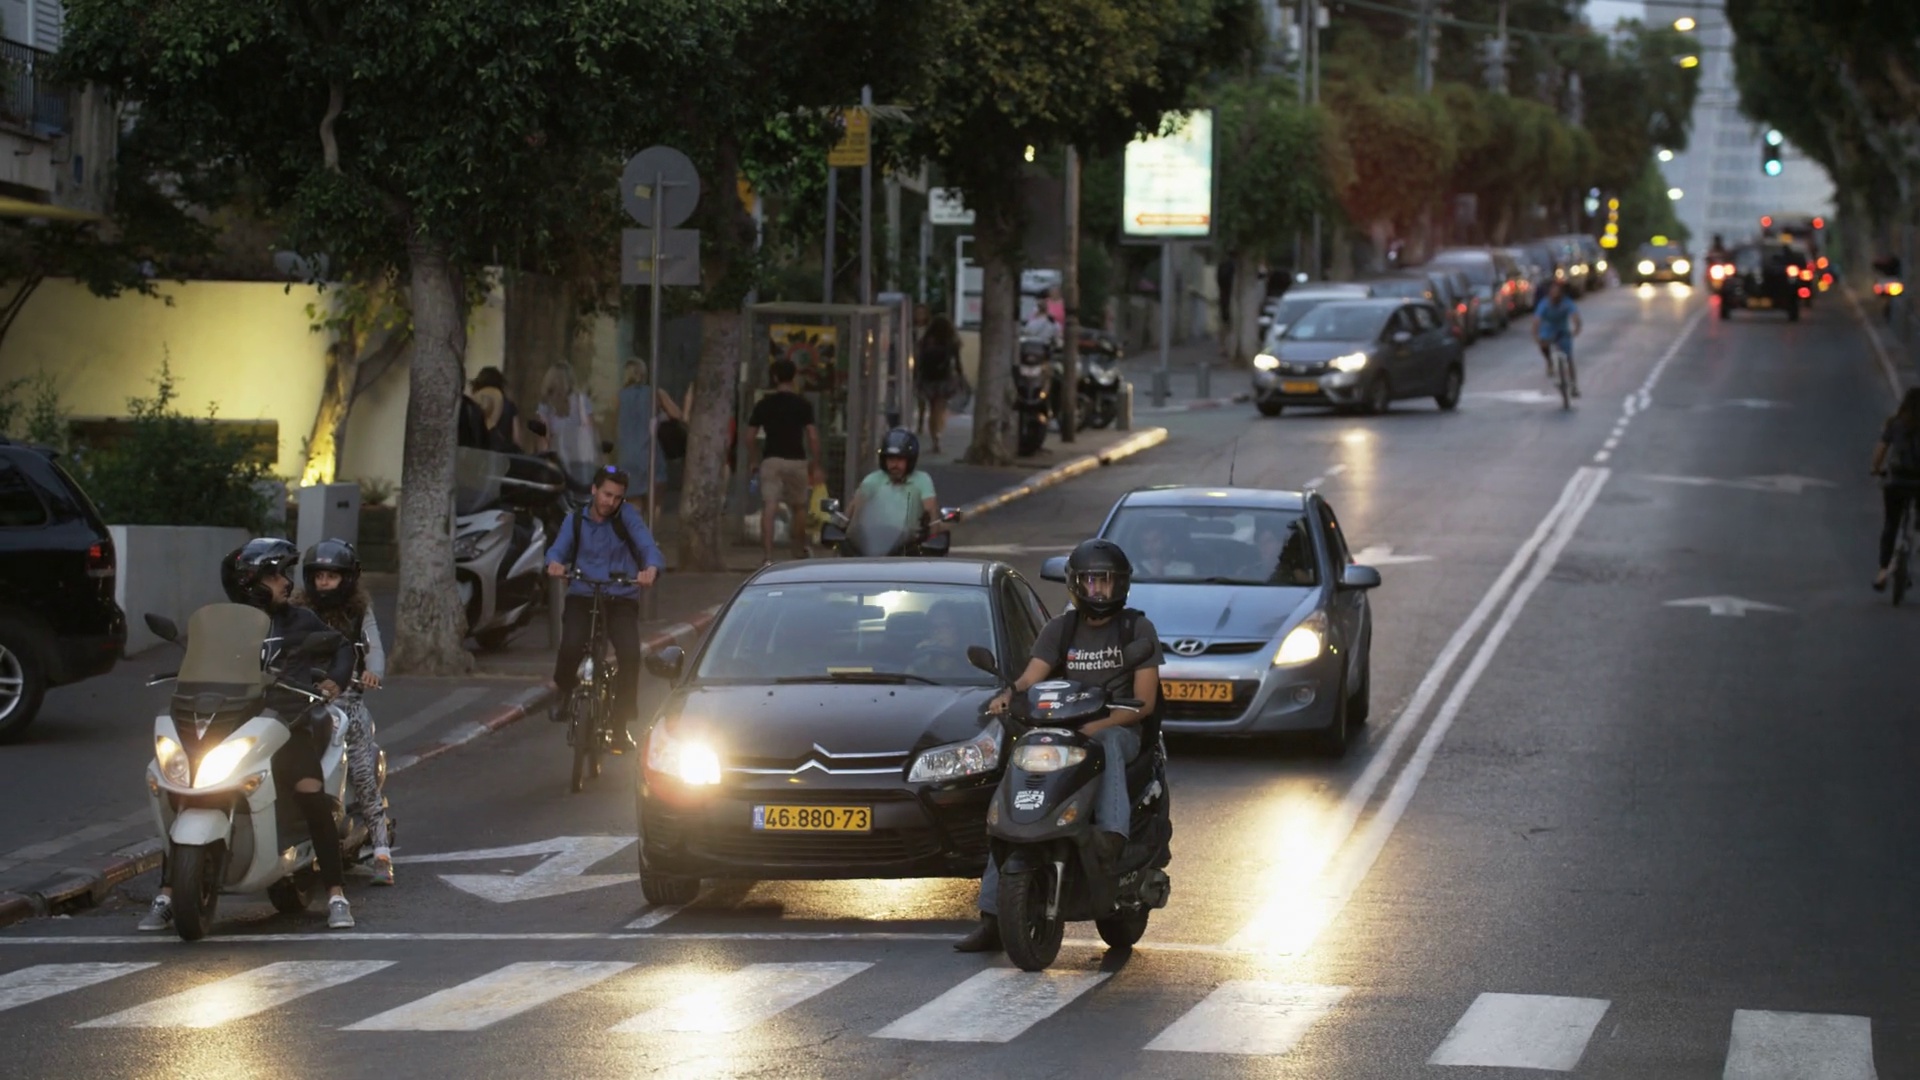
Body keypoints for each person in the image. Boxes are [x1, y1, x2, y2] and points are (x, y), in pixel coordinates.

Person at [138, 539, 359, 932]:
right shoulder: (221, 625)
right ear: (248, 583)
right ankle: (169, 893)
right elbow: (199, 661)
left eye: (285, 574)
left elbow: (341, 647)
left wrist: (335, 681)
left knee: (310, 790)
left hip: (286, 723)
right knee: (181, 790)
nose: (286, 583)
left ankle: (336, 893)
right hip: (230, 723)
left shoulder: (300, 621)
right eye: (275, 576)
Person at [955, 538, 1163, 953]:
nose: (1098, 590)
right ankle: (993, 917)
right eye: (1090, 581)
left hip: (1118, 728)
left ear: (1120, 585)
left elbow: (1145, 701)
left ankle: (1112, 834)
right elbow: (1032, 676)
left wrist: (1101, 723)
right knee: (1015, 792)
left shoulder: (1137, 629)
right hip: (1064, 728)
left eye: (1106, 581)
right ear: (1076, 584)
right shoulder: (1061, 629)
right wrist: (1009, 694)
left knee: (1106, 743)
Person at [293, 539, 395, 887]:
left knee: (363, 775)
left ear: (347, 579)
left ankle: (381, 852)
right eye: (318, 576)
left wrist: (373, 672)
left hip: (348, 703)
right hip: (305, 702)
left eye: (331, 576)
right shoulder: (298, 611)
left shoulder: (359, 611)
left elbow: (374, 646)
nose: (324, 582)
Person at [545, 467, 665, 752]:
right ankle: (564, 692)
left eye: (617, 497)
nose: (611, 502)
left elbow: (648, 547)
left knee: (630, 654)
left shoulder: (628, 518)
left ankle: (620, 725)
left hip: (620, 597)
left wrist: (650, 568)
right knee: (571, 645)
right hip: (583, 594)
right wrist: (555, 563)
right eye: (606, 494)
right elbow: (557, 549)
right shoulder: (575, 520)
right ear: (594, 490)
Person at [747, 358, 822, 566]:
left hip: (771, 460)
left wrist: (753, 460)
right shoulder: (803, 404)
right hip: (797, 460)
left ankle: (768, 556)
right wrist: (815, 464)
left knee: (770, 505)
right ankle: (798, 550)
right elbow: (813, 437)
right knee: (799, 506)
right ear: (794, 377)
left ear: (774, 377)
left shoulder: (764, 404)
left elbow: (749, 436)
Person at [847, 429, 944, 552]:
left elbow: (931, 512)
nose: (894, 464)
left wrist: (933, 539)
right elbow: (854, 508)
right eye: (891, 459)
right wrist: (843, 528)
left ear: (910, 460)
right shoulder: (872, 480)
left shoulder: (922, 480)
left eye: (900, 459)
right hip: (873, 542)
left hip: (909, 545)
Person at [1872, 388, 1920, 590]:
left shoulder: (1895, 423)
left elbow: (1881, 450)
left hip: (1896, 481)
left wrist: (1876, 469)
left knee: (1891, 524)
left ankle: (1883, 570)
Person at [616, 361, 675, 517]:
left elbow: (615, 426)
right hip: (651, 454)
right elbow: (676, 414)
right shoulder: (655, 393)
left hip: (628, 456)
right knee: (654, 505)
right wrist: (660, 417)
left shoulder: (619, 397)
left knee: (634, 507)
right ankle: (652, 527)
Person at [915, 314, 964, 455]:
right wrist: (960, 377)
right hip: (944, 378)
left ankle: (934, 437)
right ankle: (938, 435)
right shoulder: (951, 341)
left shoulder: (926, 341)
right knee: (940, 409)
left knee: (932, 409)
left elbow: (919, 360)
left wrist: (917, 376)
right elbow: (957, 362)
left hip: (928, 379)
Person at [1532, 279, 1583, 397]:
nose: (1555, 294)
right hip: (1547, 330)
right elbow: (1536, 321)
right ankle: (1549, 361)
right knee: (1543, 344)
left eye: (1558, 291)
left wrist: (1576, 329)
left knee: (1569, 358)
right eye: (1553, 291)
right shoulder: (1544, 304)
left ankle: (1573, 385)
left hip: (1562, 330)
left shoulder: (1567, 302)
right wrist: (1536, 336)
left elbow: (1575, 316)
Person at [470, 366, 522, 453]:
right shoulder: (509, 406)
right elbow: (517, 439)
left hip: (477, 454)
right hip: (502, 456)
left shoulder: (473, 404)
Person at [1130, 518, 1195, 579]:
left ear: (1166, 539)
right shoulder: (1133, 569)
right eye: (1146, 542)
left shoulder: (1185, 570)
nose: (1151, 546)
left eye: (1155, 540)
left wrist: (1159, 573)